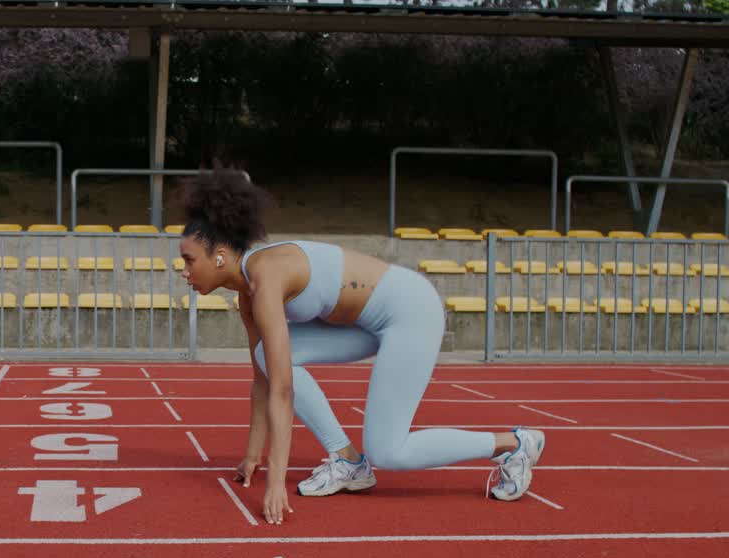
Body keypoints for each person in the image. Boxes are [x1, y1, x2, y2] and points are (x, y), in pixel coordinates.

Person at [176, 169, 545, 525]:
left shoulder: (267, 278)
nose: (185, 272)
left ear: (220, 256)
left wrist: (276, 485)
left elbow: (284, 391)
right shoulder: (248, 293)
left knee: (387, 450)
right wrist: (252, 456)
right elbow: (265, 379)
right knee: (266, 359)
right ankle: (348, 461)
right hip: (365, 325)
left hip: (409, 312)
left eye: (189, 260)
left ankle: (512, 443)